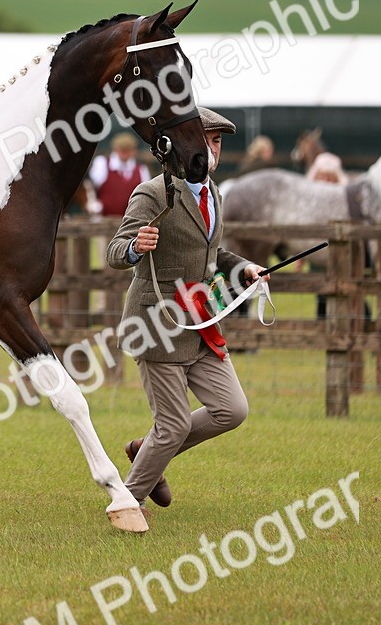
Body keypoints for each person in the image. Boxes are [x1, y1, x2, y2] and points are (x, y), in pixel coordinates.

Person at [106, 107, 263, 513]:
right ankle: (128, 500)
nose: (210, 149)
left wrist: (243, 267)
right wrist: (134, 248)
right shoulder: (153, 193)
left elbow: (212, 252)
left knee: (232, 410)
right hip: (157, 323)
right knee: (173, 426)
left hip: (199, 322)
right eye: (204, 139)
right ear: (180, 143)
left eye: (216, 141)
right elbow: (114, 252)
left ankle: (147, 449)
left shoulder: (216, 194)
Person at [89, 132, 152, 217]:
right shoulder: (102, 164)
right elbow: (90, 188)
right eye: (122, 150)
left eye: (128, 150)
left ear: (134, 151)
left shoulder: (141, 170)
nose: (125, 153)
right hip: (103, 220)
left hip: (130, 220)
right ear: (115, 149)